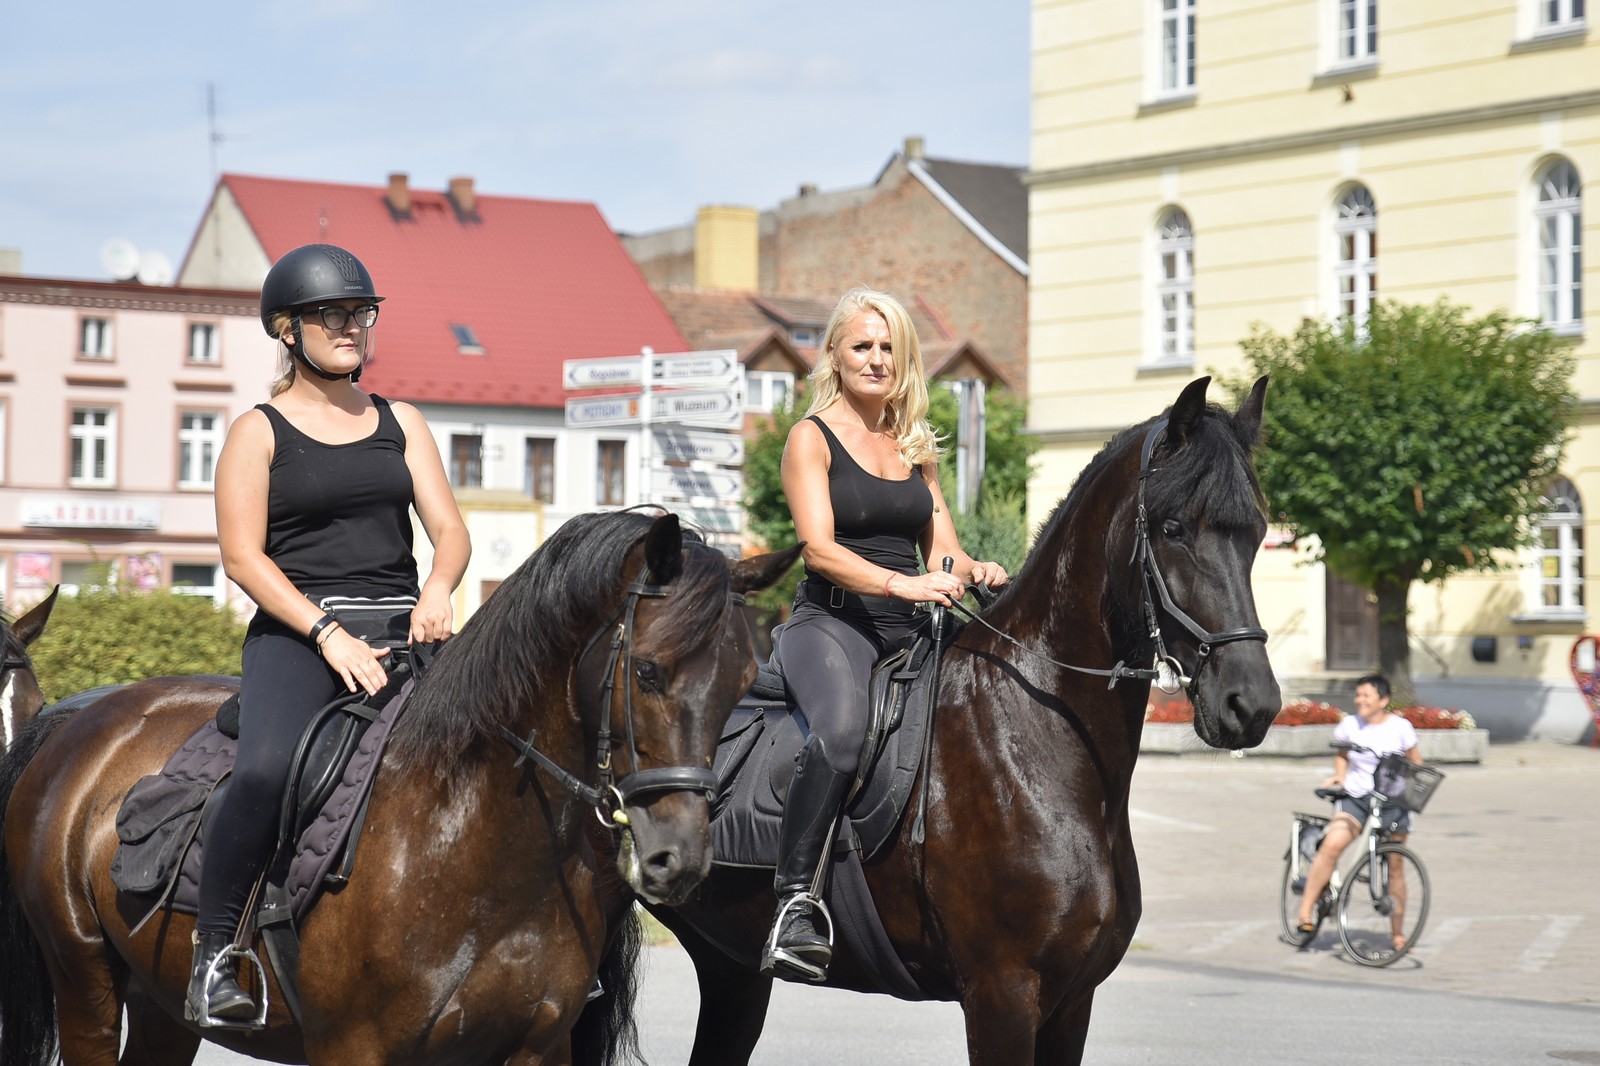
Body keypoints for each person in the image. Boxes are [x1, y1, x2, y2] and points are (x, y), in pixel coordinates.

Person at [187, 244, 470, 1025]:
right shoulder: (258, 430)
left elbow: (447, 529)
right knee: (266, 771)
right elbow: (243, 558)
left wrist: (439, 589)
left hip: (408, 625)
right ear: (288, 329)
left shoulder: (400, 420)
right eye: (332, 315)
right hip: (299, 633)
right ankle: (215, 954)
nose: (352, 327)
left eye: (361, 313)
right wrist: (327, 633)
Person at [762, 287, 1009, 983]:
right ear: (835, 356)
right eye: (862, 346)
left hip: (915, 627)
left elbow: (944, 552)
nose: (876, 359)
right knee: (840, 732)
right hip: (835, 623)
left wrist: (972, 568)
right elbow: (819, 549)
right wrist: (903, 585)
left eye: (888, 348)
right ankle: (795, 903)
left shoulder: (915, 445)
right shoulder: (810, 438)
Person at [1293, 673, 1423, 949]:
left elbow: (1415, 762)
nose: (1360, 700)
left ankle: (1398, 934)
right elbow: (1341, 754)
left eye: (1367, 695)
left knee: (1396, 866)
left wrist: (1409, 788)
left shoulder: (1401, 727)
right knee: (1332, 845)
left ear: (1384, 700)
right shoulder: (1350, 725)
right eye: (1358, 695)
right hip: (1357, 798)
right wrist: (1339, 776)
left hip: (1392, 803)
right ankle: (1305, 911)